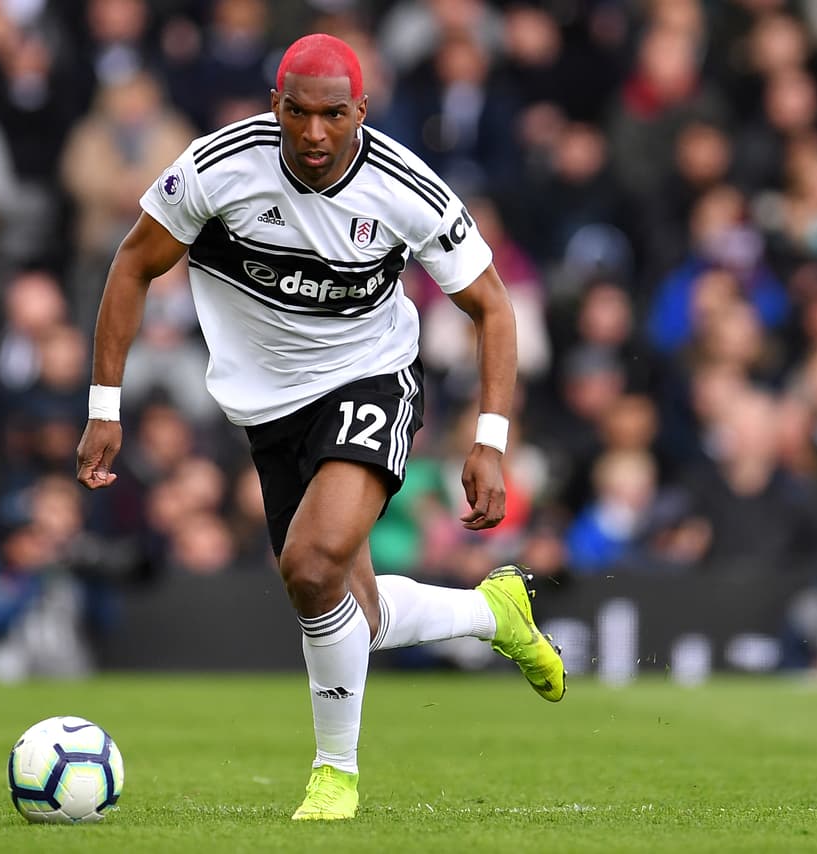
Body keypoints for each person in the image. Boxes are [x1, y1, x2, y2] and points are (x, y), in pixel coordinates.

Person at [74, 33, 566, 822]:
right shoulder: (217, 170)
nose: (312, 134)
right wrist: (105, 406)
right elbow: (132, 265)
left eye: (332, 115)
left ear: (361, 111)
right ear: (274, 105)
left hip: (371, 380)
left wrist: (490, 440)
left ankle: (335, 774)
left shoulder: (408, 189)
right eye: (296, 113)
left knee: (310, 566)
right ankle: (492, 614)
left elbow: (494, 307)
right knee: (347, 612)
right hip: (269, 414)